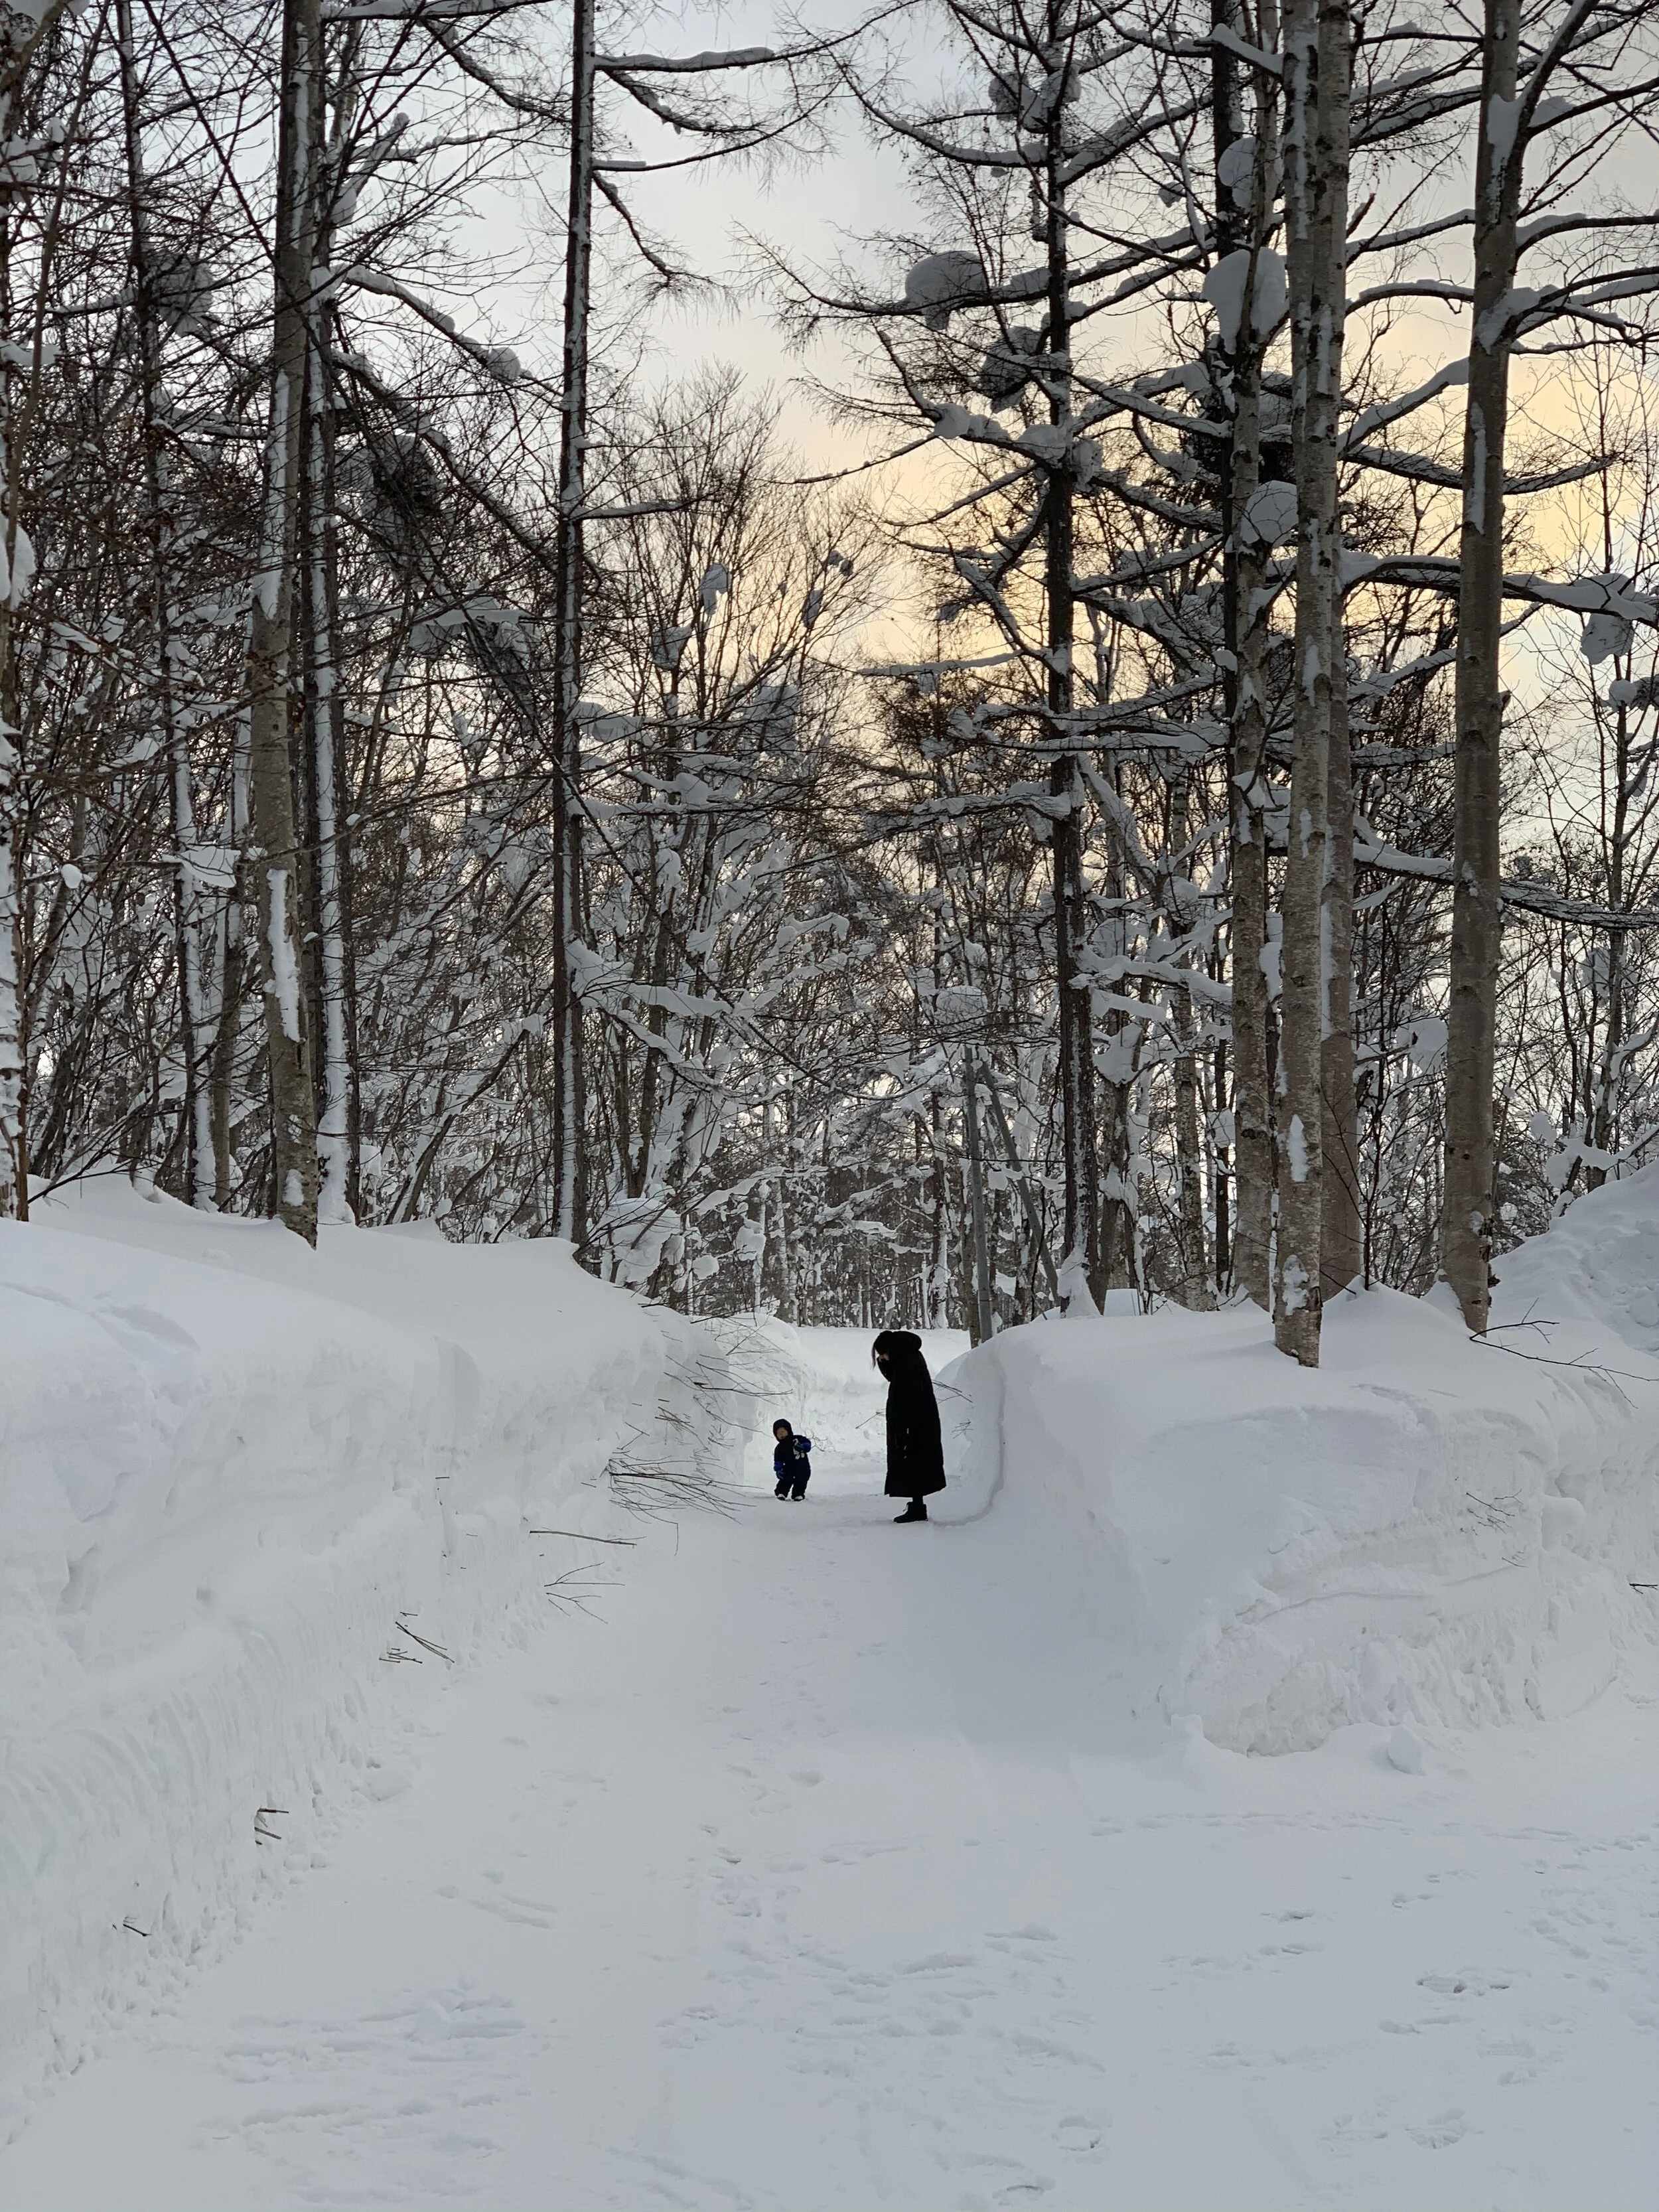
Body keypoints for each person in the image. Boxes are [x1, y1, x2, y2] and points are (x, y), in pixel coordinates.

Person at [873, 1330, 945, 1523]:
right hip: (918, 1424)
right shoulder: (909, 1359)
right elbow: (894, 1379)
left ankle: (917, 1509)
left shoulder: (907, 1365)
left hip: (914, 1425)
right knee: (916, 1465)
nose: (883, 1358)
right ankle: (916, 1506)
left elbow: (911, 1398)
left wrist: (905, 1428)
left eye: (883, 1354)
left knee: (914, 1464)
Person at [772, 1419, 812, 1500]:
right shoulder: (779, 1448)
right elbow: (778, 1460)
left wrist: (803, 1446)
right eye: (779, 1434)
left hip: (803, 1466)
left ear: (788, 1431)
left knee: (802, 1480)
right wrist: (778, 1469)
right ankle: (781, 1493)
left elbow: (808, 1444)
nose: (781, 1435)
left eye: (783, 1432)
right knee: (785, 1479)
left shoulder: (798, 1439)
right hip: (789, 1467)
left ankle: (798, 1494)